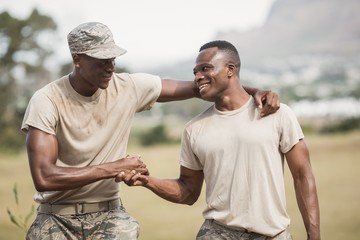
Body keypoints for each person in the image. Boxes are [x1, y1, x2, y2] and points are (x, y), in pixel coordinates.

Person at [21, 23, 280, 240]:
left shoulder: (127, 87)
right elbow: (45, 177)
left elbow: (203, 86)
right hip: (55, 215)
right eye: (101, 60)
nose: (110, 66)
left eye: (112, 58)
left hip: (109, 214)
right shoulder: (47, 100)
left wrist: (254, 92)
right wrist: (113, 167)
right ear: (77, 60)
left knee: (127, 230)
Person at [121, 40, 321, 240]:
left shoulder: (277, 113)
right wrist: (147, 181)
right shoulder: (193, 130)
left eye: (205, 68)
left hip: (273, 235)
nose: (198, 77)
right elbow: (188, 192)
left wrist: (314, 236)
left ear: (230, 69)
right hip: (216, 233)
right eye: (195, 72)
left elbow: (303, 176)